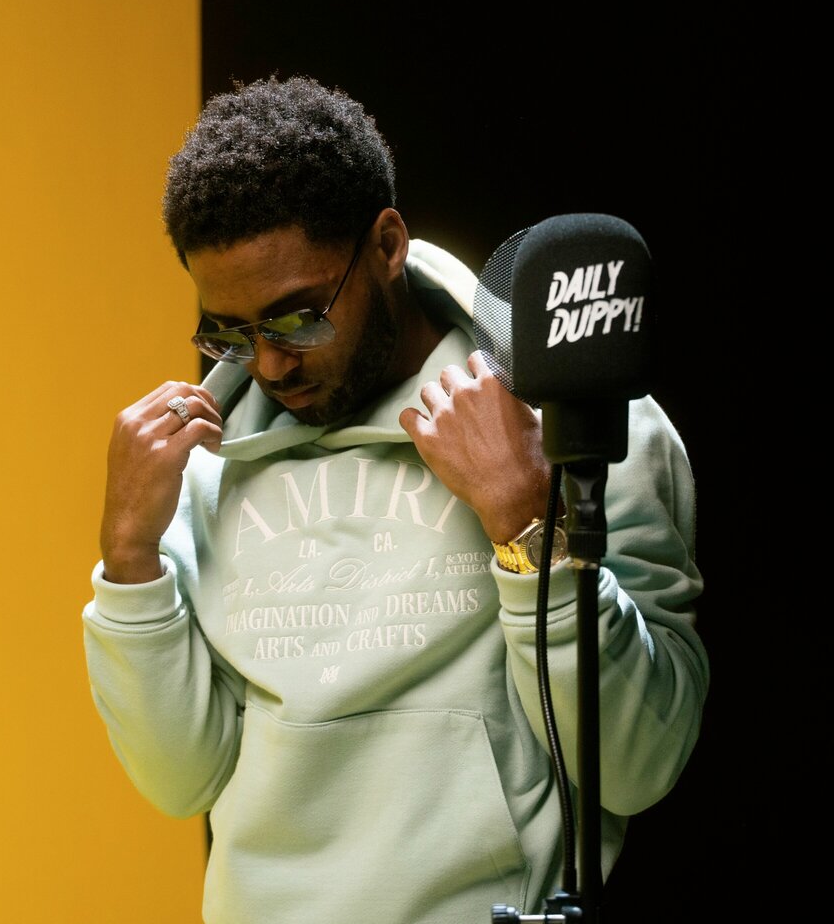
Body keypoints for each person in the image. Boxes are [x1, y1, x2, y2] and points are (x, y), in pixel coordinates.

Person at [82, 75, 708, 924]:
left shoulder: (574, 422)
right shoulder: (203, 468)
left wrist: (528, 520)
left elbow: (640, 762)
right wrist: (129, 563)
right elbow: (179, 780)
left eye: (297, 318)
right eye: (230, 331)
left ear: (386, 244)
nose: (270, 365)